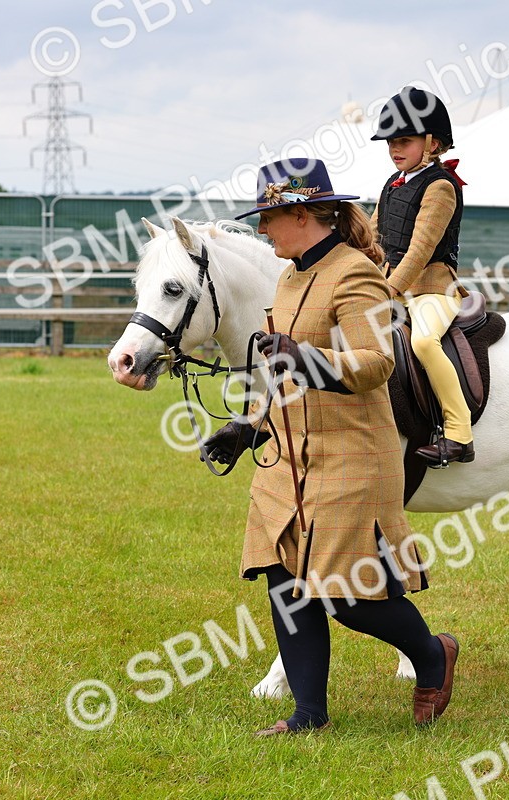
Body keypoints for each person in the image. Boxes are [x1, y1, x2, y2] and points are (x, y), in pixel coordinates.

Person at [201, 158, 458, 735]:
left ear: (300, 213)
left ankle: (434, 656)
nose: (262, 231)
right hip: (287, 456)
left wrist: (307, 359)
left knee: (349, 595)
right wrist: (249, 427)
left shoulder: (353, 275)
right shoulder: (289, 275)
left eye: (269, 218)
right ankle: (308, 715)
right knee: (285, 580)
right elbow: (278, 368)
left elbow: (376, 363)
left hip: (351, 455)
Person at [370, 87, 473, 467]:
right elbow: (372, 236)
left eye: (404, 141)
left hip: (432, 289)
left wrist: (390, 290)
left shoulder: (441, 187)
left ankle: (460, 434)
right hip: (388, 285)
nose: (395, 148)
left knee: (425, 342)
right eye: (391, 142)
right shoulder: (392, 184)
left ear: (432, 142)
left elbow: (420, 251)